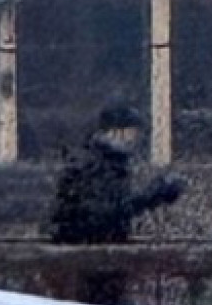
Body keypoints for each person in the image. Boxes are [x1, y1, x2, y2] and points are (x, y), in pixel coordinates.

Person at [49, 103, 183, 244]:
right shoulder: (93, 163)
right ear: (115, 132)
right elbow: (106, 213)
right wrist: (152, 195)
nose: (135, 139)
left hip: (94, 248)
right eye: (132, 132)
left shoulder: (110, 160)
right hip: (84, 252)